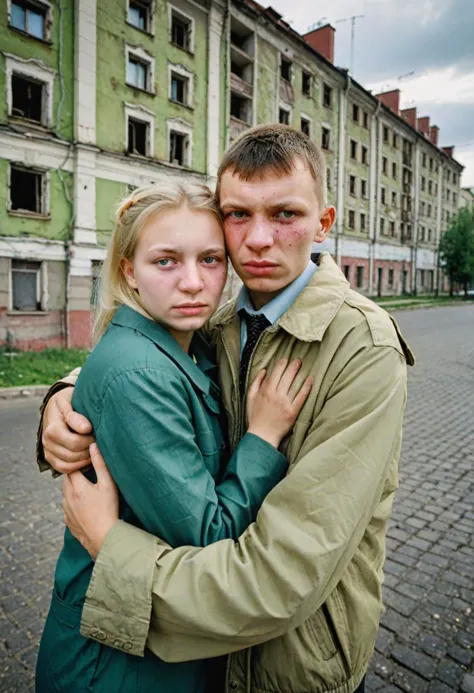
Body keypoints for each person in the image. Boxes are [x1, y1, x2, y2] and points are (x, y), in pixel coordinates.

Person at [39, 124, 414, 693]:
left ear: (324, 223)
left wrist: (114, 552)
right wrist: (64, 397)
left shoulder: (363, 348)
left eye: (285, 214)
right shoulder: (217, 320)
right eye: (239, 214)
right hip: (207, 663)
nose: (259, 239)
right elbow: (142, 363)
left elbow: (283, 576)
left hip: (294, 665)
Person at [35, 180, 313, 693]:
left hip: (153, 644)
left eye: (210, 259)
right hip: (116, 664)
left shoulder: (187, 342)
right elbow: (208, 536)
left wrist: (62, 390)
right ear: (128, 272)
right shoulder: (140, 372)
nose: (193, 282)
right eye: (166, 261)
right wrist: (264, 436)